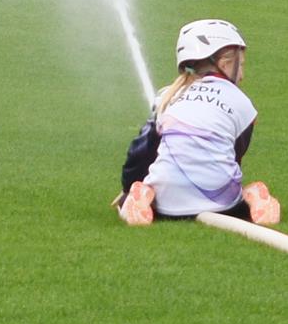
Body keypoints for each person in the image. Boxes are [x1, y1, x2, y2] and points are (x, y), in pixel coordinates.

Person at [117, 19, 277, 227]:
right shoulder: (242, 103)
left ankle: (143, 194)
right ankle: (252, 197)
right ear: (225, 63)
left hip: (166, 206)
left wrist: (127, 188)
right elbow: (234, 157)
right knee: (234, 196)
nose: (243, 75)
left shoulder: (167, 96)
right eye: (241, 65)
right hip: (223, 207)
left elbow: (141, 152)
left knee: (129, 200)